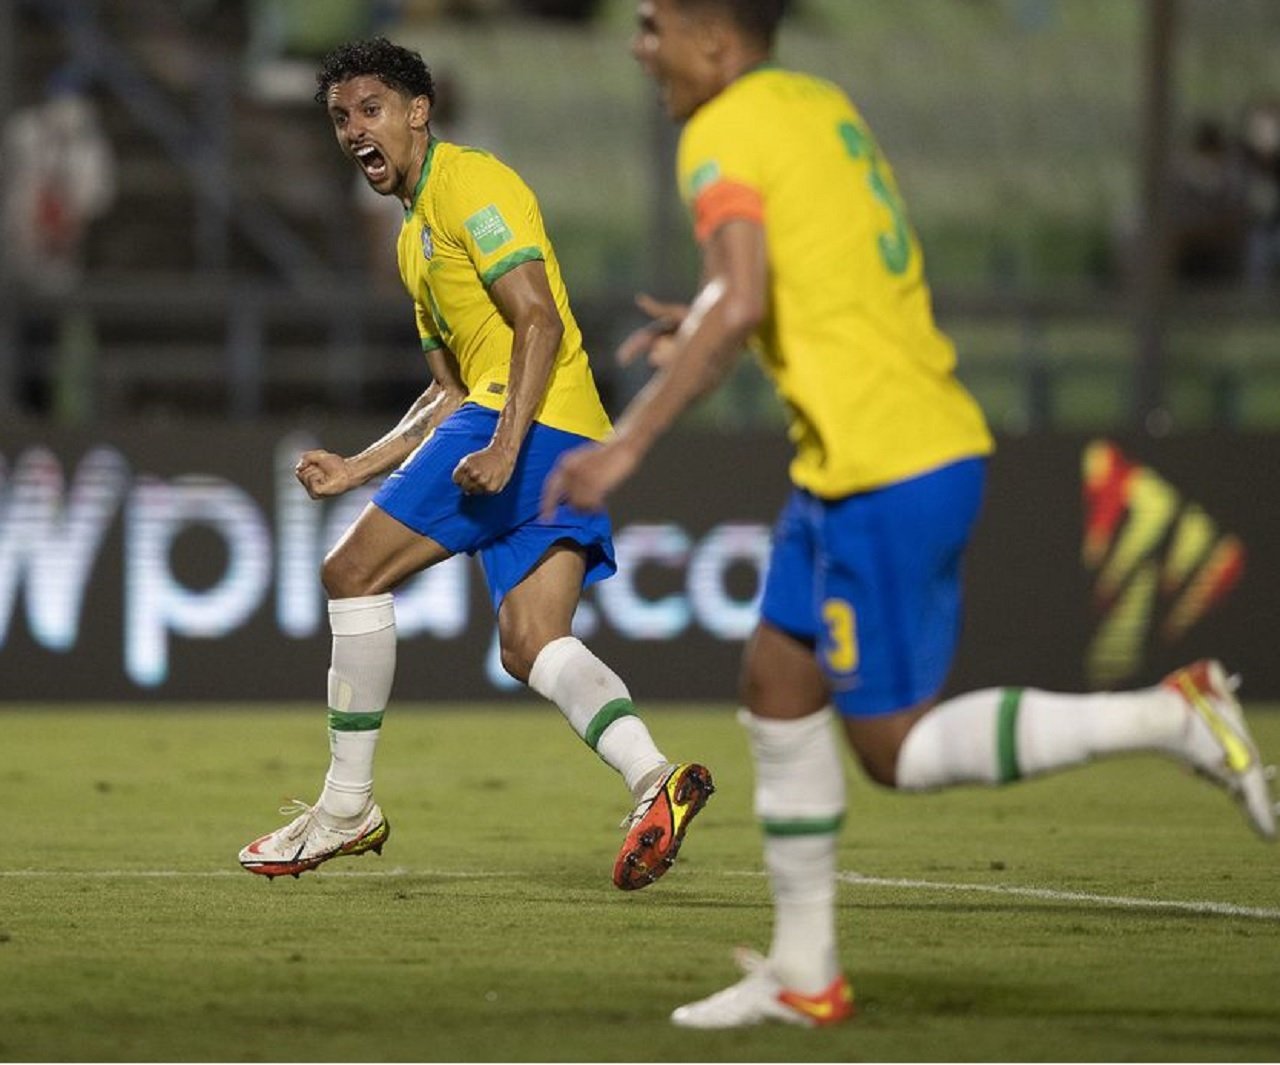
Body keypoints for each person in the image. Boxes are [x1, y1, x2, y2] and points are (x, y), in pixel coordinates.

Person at [543, 0, 1277, 1029]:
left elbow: (742, 295)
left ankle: (1166, 716)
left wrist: (625, 442)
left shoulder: (720, 130)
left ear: (713, 38)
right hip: (869, 452)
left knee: (890, 748)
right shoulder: (812, 102)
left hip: (883, 464)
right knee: (775, 680)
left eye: (653, 24)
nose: (637, 47)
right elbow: (797, 275)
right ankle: (804, 972)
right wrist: (708, 319)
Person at [238, 37, 713, 892]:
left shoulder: (471, 185)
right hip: (555, 430)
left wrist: (504, 444)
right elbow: (445, 393)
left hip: (529, 424)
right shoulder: (412, 238)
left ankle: (347, 805)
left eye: (371, 109)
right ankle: (655, 781)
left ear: (419, 111)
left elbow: (538, 323)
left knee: (351, 573)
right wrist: (357, 467)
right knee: (532, 642)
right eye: (341, 118)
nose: (354, 131)